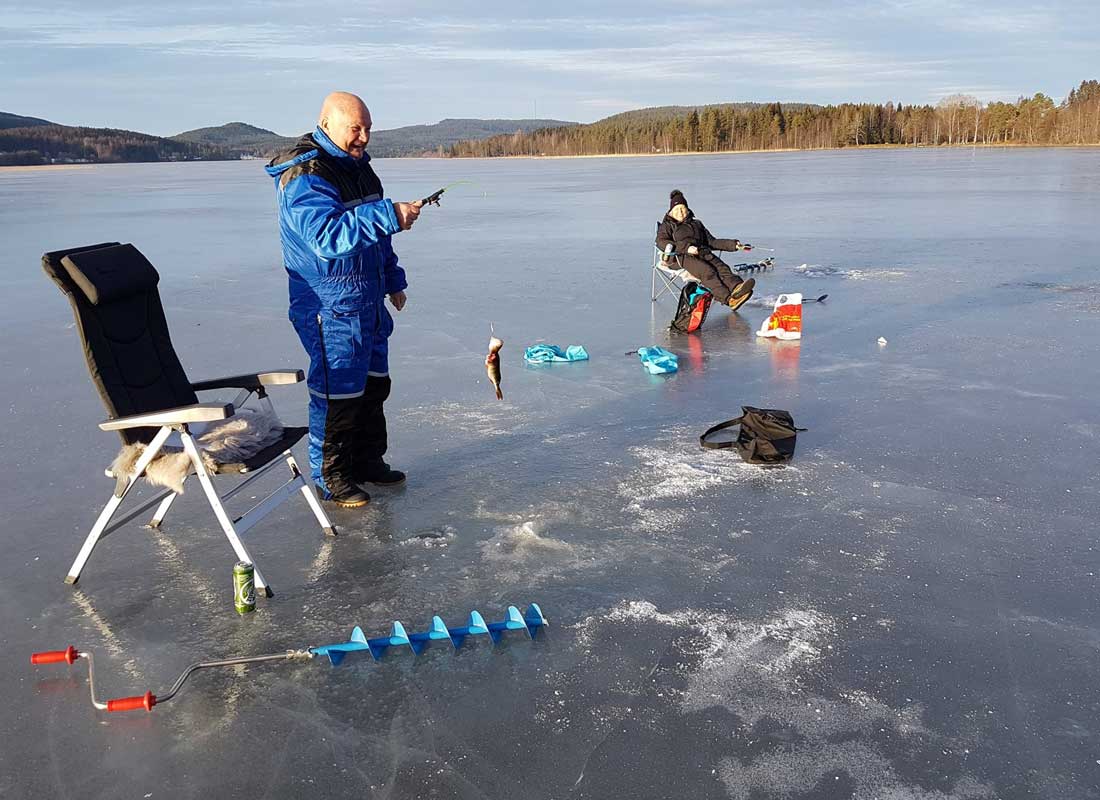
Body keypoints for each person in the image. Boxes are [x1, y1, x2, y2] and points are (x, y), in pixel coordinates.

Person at [265, 92, 422, 508]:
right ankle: (331, 476)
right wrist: (389, 214)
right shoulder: (305, 176)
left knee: (374, 386)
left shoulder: (361, 170)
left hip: (368, 300)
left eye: (368, 128)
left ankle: (368, 461)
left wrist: (393, 280)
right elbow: (326, 236)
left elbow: (378, 240)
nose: (364, 137)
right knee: (337, 393)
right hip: (328, 305)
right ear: (327, 124)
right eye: (356, 128)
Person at [656, 189, 756, 311]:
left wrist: (734, 245)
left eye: (683, 209)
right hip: (679, 257)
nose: (680, 212)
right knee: (708, 272)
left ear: (687, 209)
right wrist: (687, 248)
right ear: (671, 212)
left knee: (722, 267)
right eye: (677, 210)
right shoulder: (667, 226)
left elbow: (711, 242)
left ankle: (737, 288)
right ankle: (729, 299)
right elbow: (661, 242)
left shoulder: (697, 224)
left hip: (702, 252)